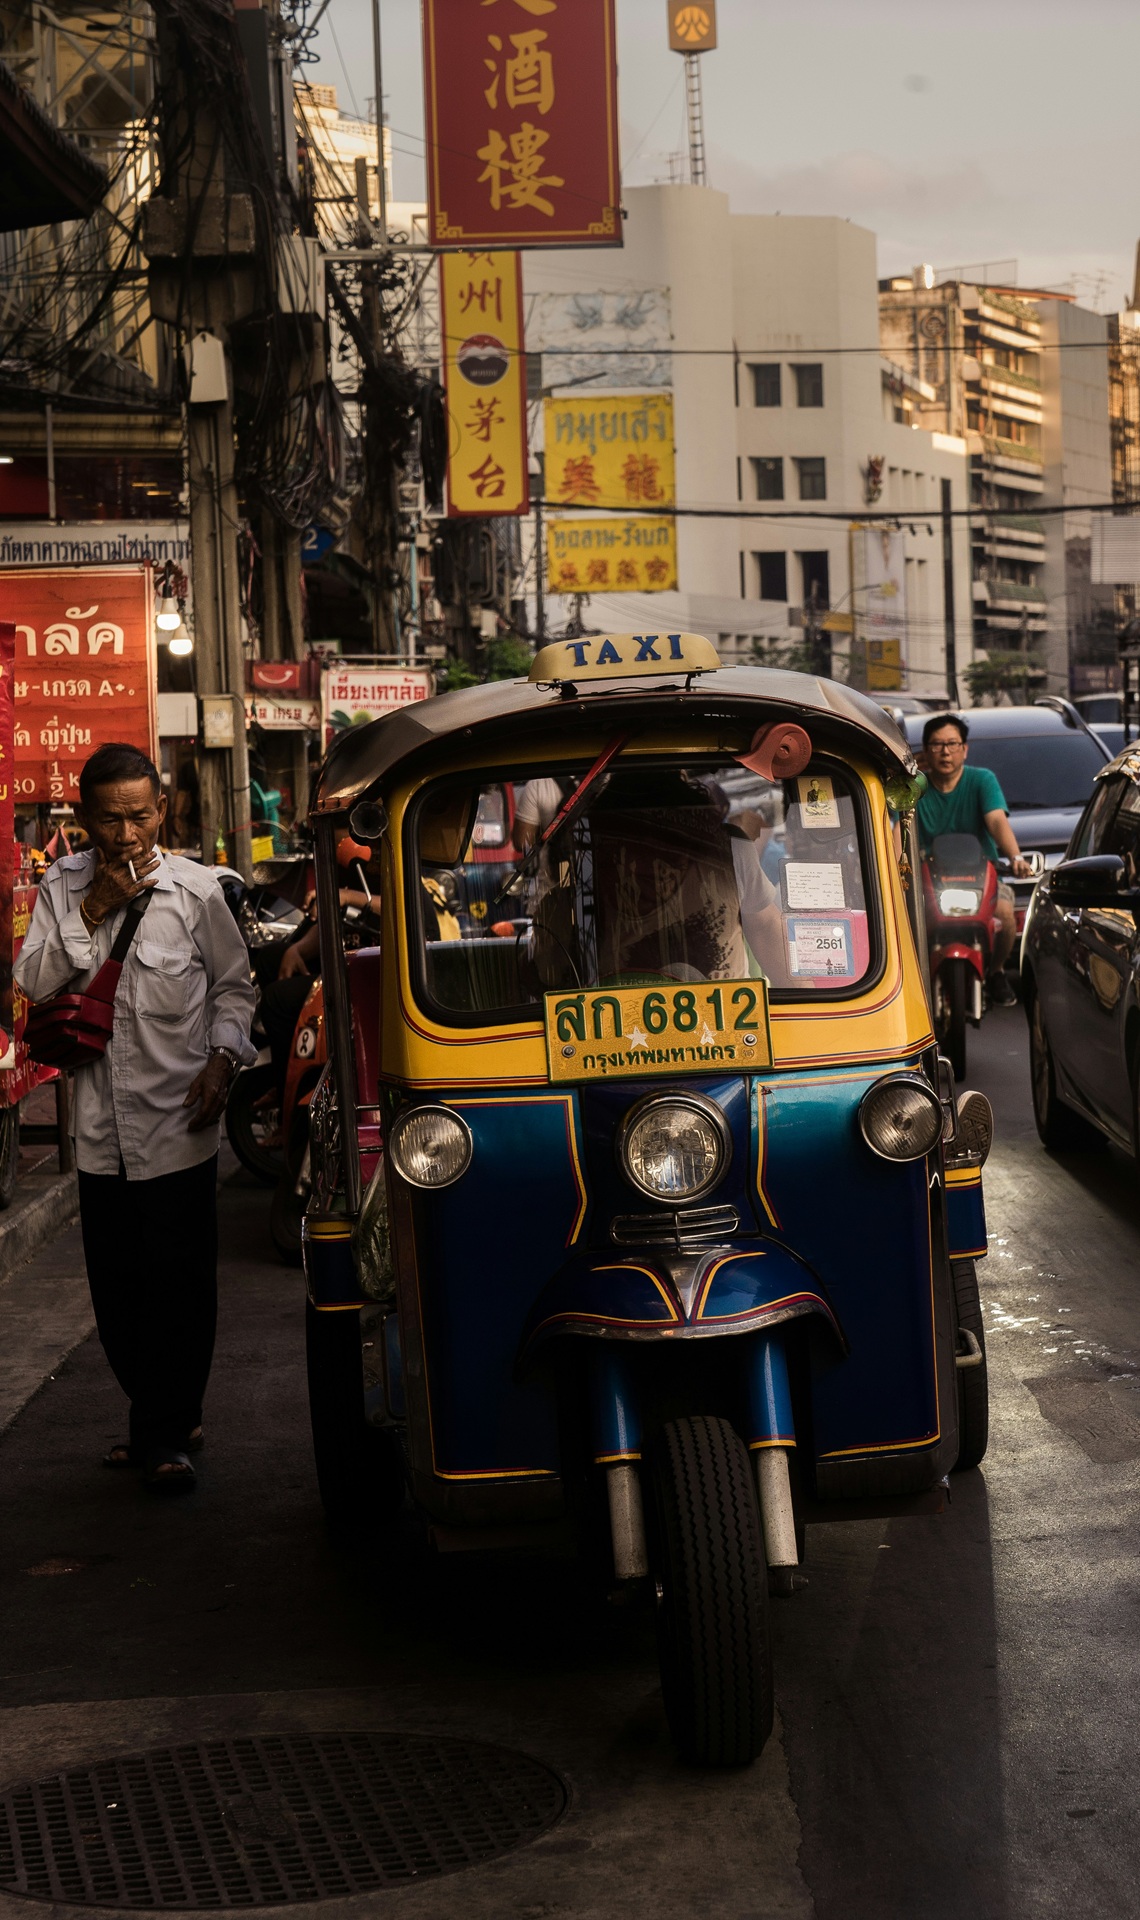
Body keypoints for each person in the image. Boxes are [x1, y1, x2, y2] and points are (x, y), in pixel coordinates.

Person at [14, 743, 256, 1492]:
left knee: (180, 1285)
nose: (127, 835)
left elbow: (235, 989)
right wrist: (93, 910)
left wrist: (222, 1060)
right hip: (98, 1126)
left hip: (179, 1119)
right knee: (119, 1291)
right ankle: (164, 1416)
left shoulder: (197, 891)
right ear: (84, 816)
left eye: (141, 816)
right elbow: (31, 979)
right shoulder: (62, 885)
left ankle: (162, 1432)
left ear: (163, 810)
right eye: (111, 819)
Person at [917, 712, 1031, 1007]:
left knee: (1005, 916)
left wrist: (1015, 857)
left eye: (953, 744)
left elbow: (996, 821)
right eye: (937, 744)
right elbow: (893, 829)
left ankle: (995, 972)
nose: (945, 751)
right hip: (928, 881)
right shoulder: (913, 787)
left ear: (965, 749)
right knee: (904, 921)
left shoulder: (982, 780)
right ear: (926, 750)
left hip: (981, 879)